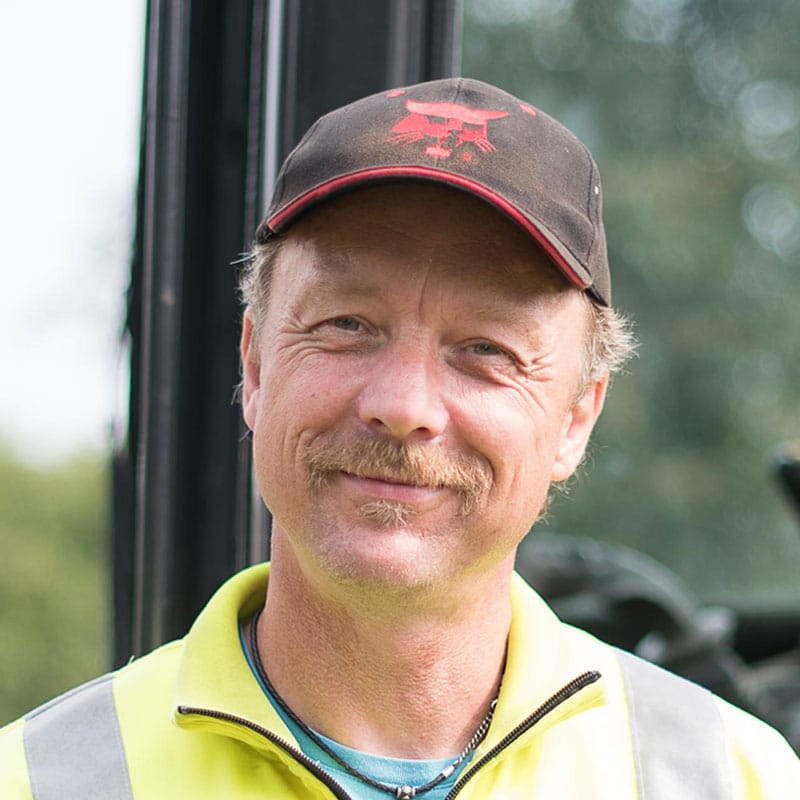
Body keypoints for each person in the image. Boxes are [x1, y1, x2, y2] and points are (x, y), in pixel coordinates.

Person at [1, 77, 798, 799]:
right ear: (255, 364)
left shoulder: (737, 780)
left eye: (486, 349)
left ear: (576, 418)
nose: (402, 405)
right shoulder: (42, 783)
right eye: (347, 324)